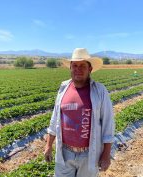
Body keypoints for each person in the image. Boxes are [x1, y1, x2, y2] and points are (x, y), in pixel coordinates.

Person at [44, 48, 115, 177]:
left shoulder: (99, 91)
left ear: (90, 69)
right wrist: (48, 145)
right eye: (75, 65)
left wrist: (106, 154)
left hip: (89, 154)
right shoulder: (63, 89)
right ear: (70, 68)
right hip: (64, 152)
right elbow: (55, 119)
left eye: (83, 65)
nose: (78, 69)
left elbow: (108, 124)